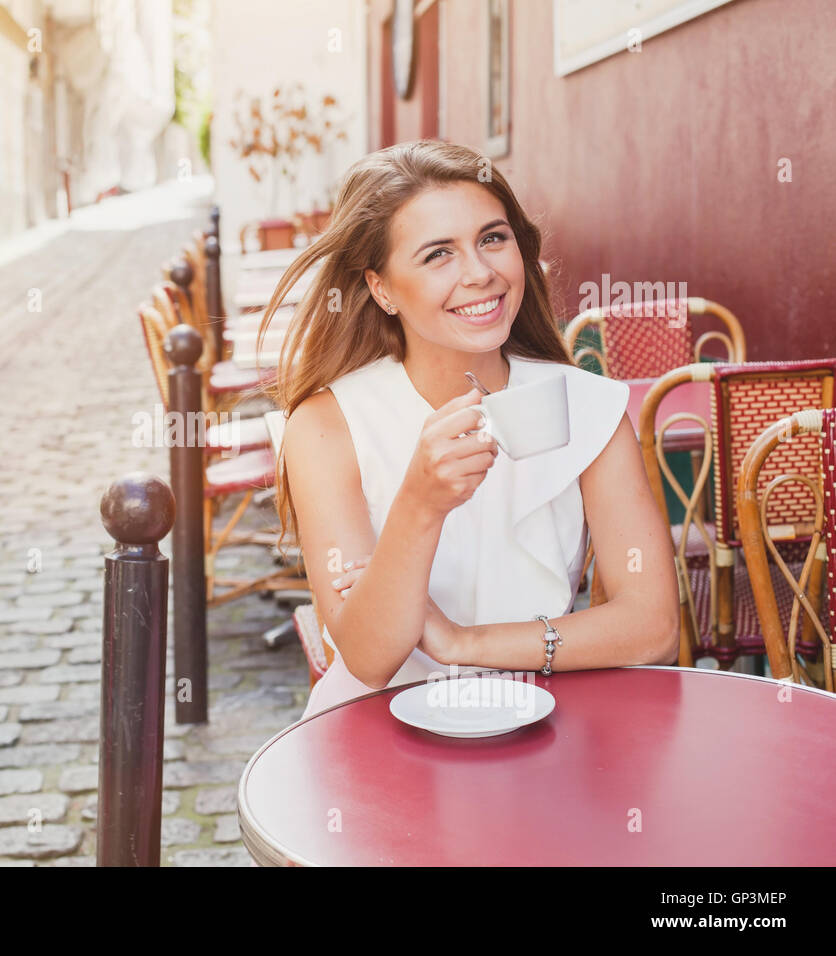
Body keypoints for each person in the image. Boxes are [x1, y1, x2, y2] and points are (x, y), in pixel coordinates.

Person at [259, 141, 681, 720]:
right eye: (438, 255)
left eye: (492, 238)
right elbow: (367, 656)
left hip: (538, 722)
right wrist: (420, 505)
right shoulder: (328, 425)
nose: (480, 273)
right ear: (381, 288)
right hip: (375, 737)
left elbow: (652, 626)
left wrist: (462, 643)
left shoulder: (587, 405)